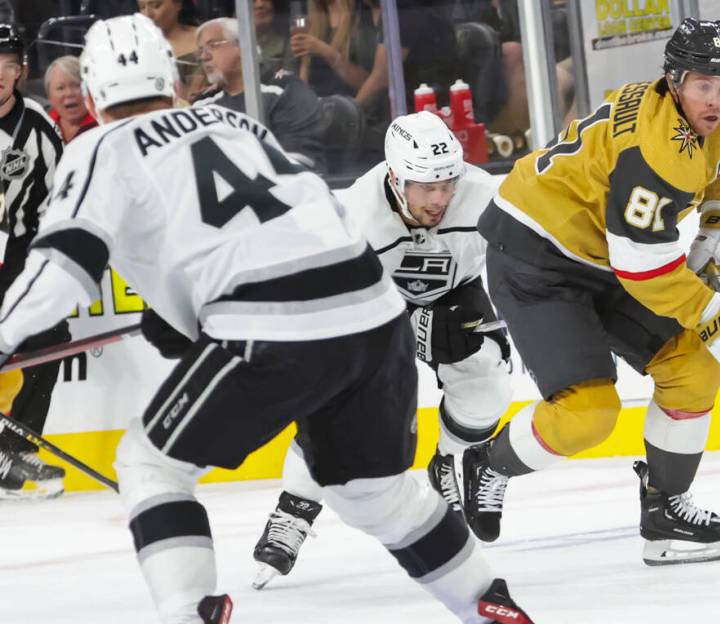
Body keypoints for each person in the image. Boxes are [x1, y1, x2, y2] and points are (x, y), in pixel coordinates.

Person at [0, 13, 532, 623]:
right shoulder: (230, 121)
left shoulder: (99, 145)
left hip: (270, 319)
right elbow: (286, 210)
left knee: (151, 464)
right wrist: (186, 311)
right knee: (373, 494)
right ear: (170, 83)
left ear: (92, 95)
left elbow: (60, 269)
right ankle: (486, 601)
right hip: (374, 312)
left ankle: (187, 612)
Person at [467, 18, 720, 566]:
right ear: (675, 80)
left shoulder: (712, 119)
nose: (716, 99)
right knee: (589, 414)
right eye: (704, 84)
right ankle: (485, 463)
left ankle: (665, 510)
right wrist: (716, 314)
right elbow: (645, 271)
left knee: (695, 364)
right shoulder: (654, 152)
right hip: (536, 257)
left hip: (605, 252)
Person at [249, 110, 512, 590]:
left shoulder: (486, 198)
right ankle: (293, 513)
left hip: (455, 296)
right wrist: (409, 324)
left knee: (489, 373)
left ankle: (448, 463)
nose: (440, 198)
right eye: (425, 187)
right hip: (373, 305)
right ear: (395, 177)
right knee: (337, 408)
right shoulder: (355, 217)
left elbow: (526, 257)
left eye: (448, 183)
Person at [0, 22, 69, 500]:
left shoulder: (38, 127)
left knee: (49, 344)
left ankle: (15, 448)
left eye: (7, 65)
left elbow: (62, 197)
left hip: (19, 251)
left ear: (21, 71)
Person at [194, 17, 328, 173]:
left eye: (213, 45)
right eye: (201, 50)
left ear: (242, 46)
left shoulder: (286, 90)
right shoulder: (203, 104)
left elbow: (298, 162)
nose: (204, 57)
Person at [293, 0, 376, 99]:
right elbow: (304, 82)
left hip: (350, 108)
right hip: (317, 109)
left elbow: (370, 84)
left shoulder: (362, 18)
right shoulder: (312, 24)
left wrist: (327, 52)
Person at [138, 0, 207, 101]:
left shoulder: (204, 36)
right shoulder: (139, 48)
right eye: (142, 7)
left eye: (156, 6)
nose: (148, 14)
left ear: (178, 4)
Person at [45, 55, 98, 143]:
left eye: (77, 85)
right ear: (49, 96)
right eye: (60, 88)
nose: (69, 93)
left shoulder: (104, 125)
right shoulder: (42, 125)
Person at [253, 0, 298, 79]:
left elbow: (289, 84)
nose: (260, 5)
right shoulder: (231, 45)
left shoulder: (287, 46)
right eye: (253, 1)